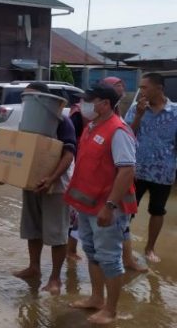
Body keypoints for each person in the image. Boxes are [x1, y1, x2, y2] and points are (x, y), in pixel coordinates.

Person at [65, 84, 137, 325]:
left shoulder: (118, 131)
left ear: (105, 104)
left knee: (109, 258)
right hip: (86, 206)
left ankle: (111, 309)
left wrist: (110, 206)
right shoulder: (93, 126)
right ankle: (97, 298)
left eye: (89, 101)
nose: (83, 105)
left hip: (106, 209)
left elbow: (126, 171)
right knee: (92, 252)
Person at [11, 82, 76, 295]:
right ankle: (34, 267)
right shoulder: (27, 122)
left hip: (56, 186)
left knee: (57, 232)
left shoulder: (62, 121)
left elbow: (68, 154)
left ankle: (56, 278)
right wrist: (8, 175)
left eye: (31, 98)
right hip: (31, 183)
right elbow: (17, 151)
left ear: (44, 99)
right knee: (32, 228)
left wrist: (51, 178)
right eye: (25, 99)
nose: (27, 103)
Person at [125, 72, 177, 263]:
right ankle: (125, 250)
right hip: (136, 170)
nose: (141, 91)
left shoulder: (176, 112)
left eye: (145, 87)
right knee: (127, 210)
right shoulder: (135, 109)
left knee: (157, 210)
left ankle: (150, 249)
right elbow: (127, 134)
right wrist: (138, 115)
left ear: (159, 89)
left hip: (164, 172)